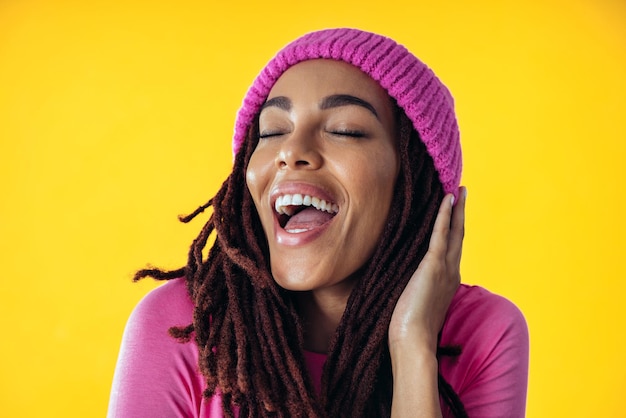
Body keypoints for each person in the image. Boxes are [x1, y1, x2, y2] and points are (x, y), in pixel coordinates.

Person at [107, 28, 529, 417]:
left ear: (413, 186)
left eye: (345, 130)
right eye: (272, 131)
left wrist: (413, 346)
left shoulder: (484, 335)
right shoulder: (182, 325)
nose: (291, 151)